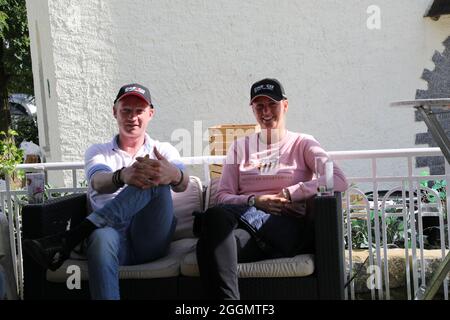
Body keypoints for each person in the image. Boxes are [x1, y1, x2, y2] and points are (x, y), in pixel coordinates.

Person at [23, 83, 189, 299]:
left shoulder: (164, 150)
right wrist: (122, 176)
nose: (132, 117)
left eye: (139, 111)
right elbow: (98, 182)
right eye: (126, 110)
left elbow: (183, 183)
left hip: (151, 237)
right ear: (114, 112)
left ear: (150, 114)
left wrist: (173, 174)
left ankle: (75, 235)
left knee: (154, 174)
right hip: (112, 236)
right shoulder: (98, 151)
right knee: (100, 237)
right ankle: (89, 230)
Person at [196, 78, 349, 300]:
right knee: (212, 233)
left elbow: (339, 179)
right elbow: (221, 196)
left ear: (285, 106)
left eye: (272, 104)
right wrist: (255, 201)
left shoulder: (303, 143)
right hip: (249, 228)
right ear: (253, 109)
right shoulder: (239, 147)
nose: (266, 111)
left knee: (209, 233)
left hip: (286, 228)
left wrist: (291, 192)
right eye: (259, 106)